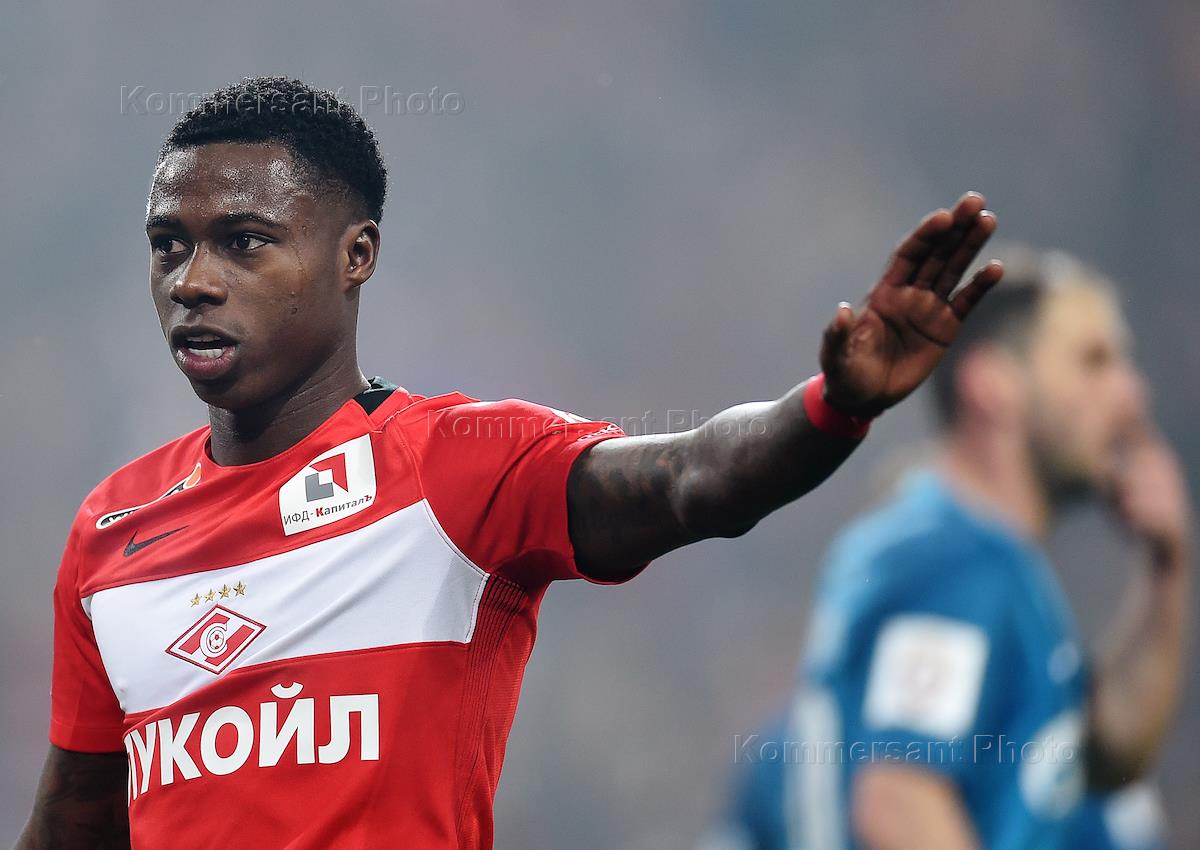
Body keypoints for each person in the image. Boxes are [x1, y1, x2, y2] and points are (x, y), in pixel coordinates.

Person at [16, 76, 1002, 849]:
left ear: (355, 255)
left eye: (242, 242)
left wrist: (831, 406)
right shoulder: (111, 530)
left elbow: (694, 479)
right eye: (168, 246)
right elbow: (74, 832)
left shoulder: (458, 468)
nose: (192, 281)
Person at [711, 249, 1191, 849]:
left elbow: (1112, 755)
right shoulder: (949, 557)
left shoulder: (996, 562)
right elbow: (900, 803)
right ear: (993, 386)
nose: (1131, 394)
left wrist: (1167, 569)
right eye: (1093, 361)